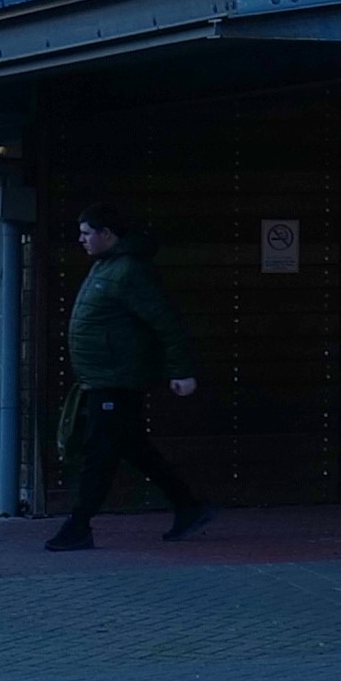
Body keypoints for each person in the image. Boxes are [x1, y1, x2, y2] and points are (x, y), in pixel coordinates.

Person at [46, 209, 212, 548]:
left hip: (115, 380)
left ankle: (79, 525)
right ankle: (188, 506)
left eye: (86, 232)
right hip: (104, 378)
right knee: (133, 447)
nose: (81, 239)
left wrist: (181, 371)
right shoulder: (106, 266)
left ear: (107, 233)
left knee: (99, 452)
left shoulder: (127, 271)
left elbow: (165, 321)